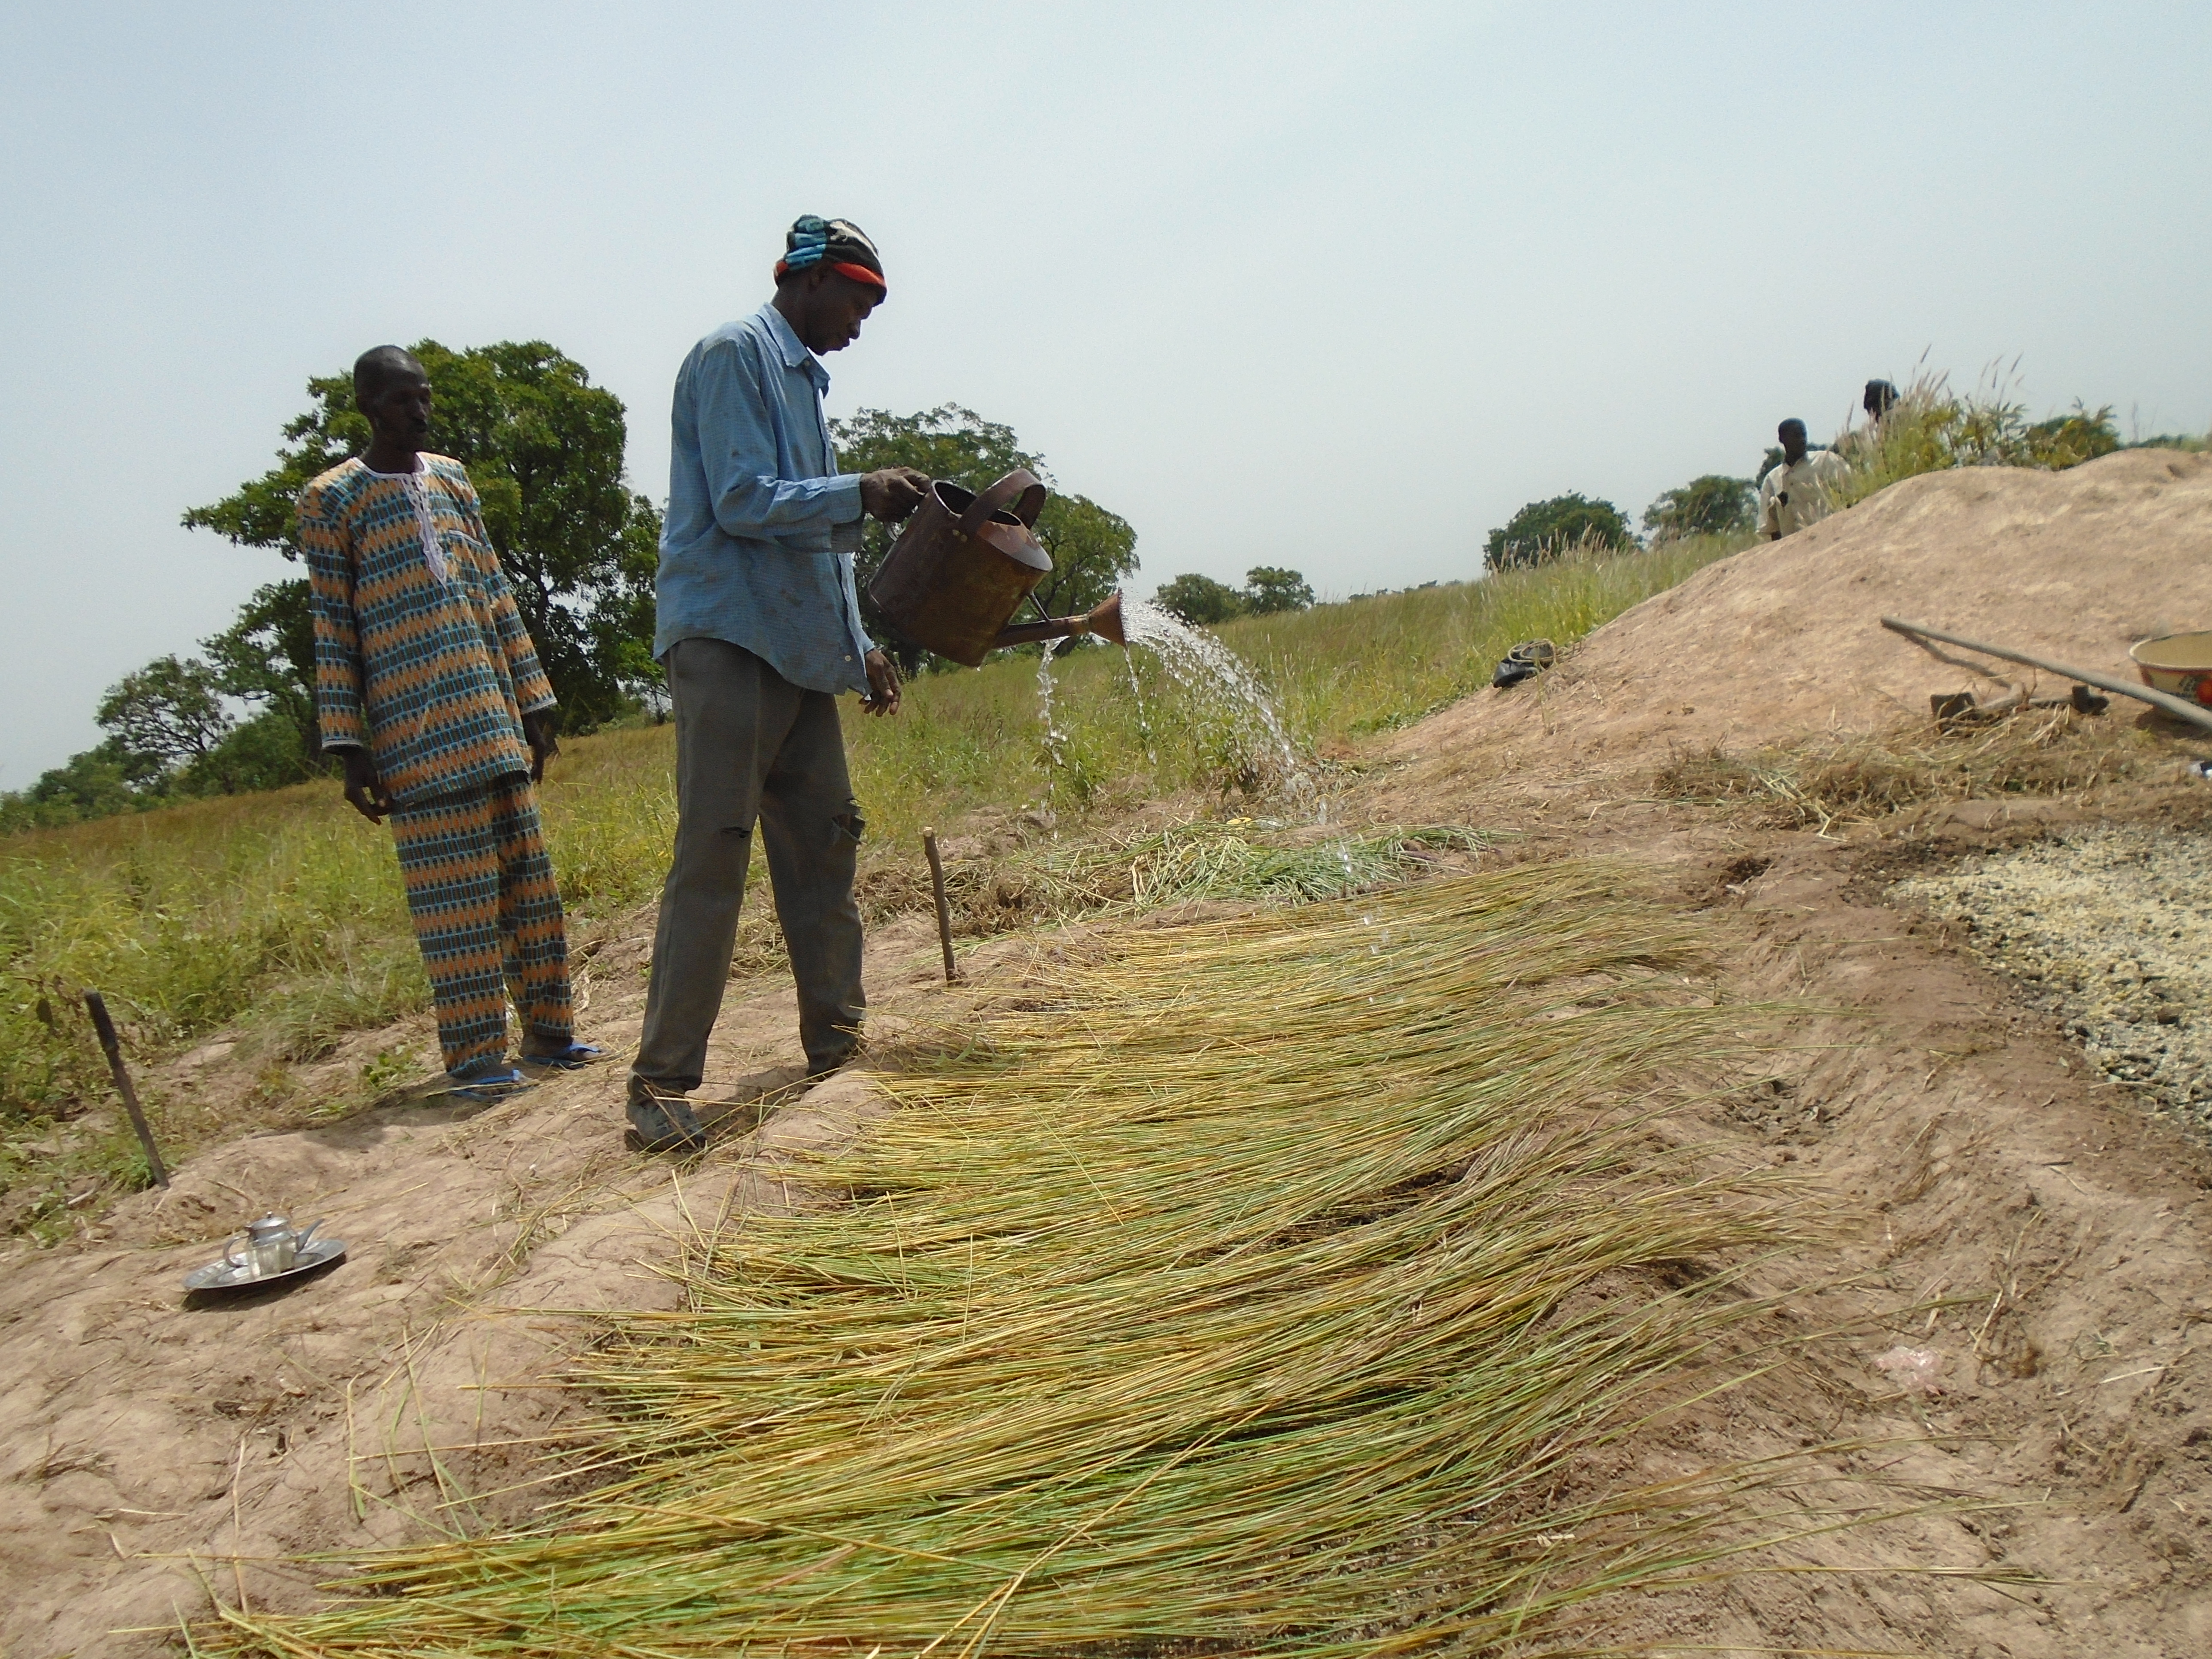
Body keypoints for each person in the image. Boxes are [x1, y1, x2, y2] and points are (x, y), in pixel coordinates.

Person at [626, 215, 930, 1154]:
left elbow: (813, 544)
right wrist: (859, 492)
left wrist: (858, 647)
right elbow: (743, 502)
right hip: (727, 639)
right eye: (855, 300)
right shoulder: (732, 357)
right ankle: (661, 1086)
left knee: (824, 847)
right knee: (714, 855)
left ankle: (835, 1043)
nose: (859, 321)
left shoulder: (806, 382)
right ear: (806, 282)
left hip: (799, 652)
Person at [299, 346, 599, 1100]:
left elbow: (495, 590)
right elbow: (332, 625)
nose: (419, 410)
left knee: (531, 885)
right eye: (403, 399)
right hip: (414, 738)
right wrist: (349, 747)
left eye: (424, 396)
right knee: (454, 902)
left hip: (492, 715)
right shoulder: (332, 498)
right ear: (369, 405)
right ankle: (475, 1060)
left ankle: (551, 1034)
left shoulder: (454, 478)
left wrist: (534, 700)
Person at [1758, 418, 1852, 540]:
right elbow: (1772, 528)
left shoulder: (1826, 461)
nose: (1802, 440)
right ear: (1782, 439)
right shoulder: (1772, 479)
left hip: (1831, 538)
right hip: (1796, 547)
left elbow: (1851, 496)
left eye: (1804, 435)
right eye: (1796, 436)